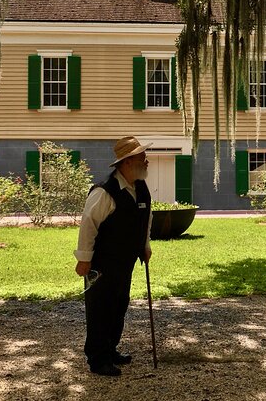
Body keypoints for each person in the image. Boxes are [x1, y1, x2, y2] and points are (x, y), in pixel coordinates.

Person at [74, 136, 153, 376]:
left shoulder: (140, 186)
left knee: (119, 305)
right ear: (127, 162)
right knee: (100, 309)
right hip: (102, 263)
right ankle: (98, 359)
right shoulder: (104, 192)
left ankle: (110, 349)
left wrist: (145, 245)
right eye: (142, 158)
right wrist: (84, 258)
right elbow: (88, 224)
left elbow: (146, 219)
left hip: (125, 261)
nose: (147, 162)